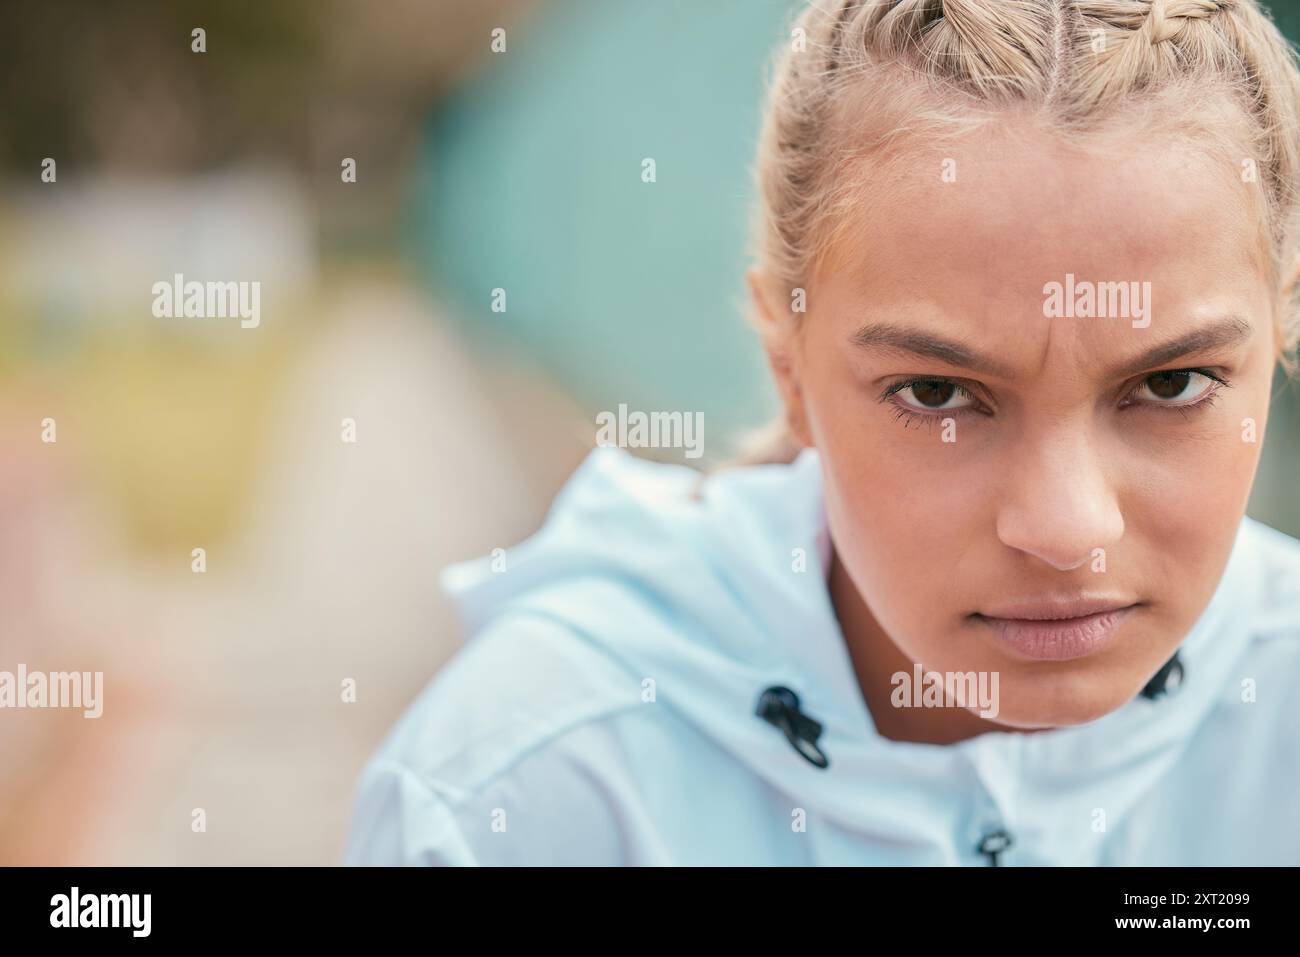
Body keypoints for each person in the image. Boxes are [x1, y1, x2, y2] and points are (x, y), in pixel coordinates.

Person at [346, 0, 1300, 865]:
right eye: (936, 392)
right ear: (787, 369)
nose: (1064, 527)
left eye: (1171, 382)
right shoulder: (529, 794)